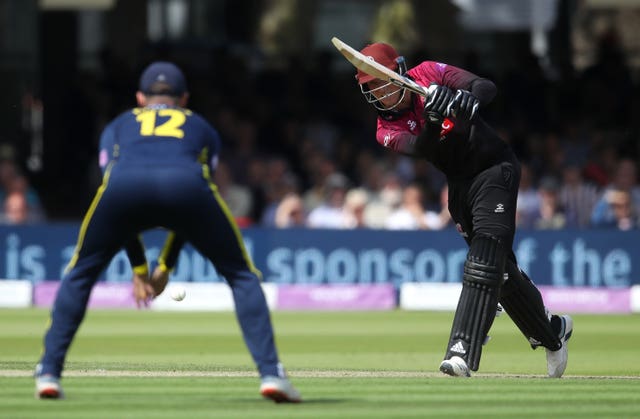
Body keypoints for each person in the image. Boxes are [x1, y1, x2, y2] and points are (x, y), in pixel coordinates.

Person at [35, 61, 301, 403]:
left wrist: (141, 269)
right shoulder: (201, 126)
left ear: (140, 98)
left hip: (122, 189)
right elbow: (190, 206)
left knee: (81, 272)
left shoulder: (119, 124)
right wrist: (165, 266)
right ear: (184, 98)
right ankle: (271, 374)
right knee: (241, 275)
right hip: (186, 186)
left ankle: (49, 373)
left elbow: (117, 196)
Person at [353, 42, 572, 377]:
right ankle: (553, 332)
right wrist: (433, 117)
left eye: (383, 81)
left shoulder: (426, 73)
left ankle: (462, 353)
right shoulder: (386, 130)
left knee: (483, 261)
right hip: (459, 186)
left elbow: (485, 86)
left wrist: (468, 98)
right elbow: (423, 148)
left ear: (398, 70)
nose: (381, 94)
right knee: (499, 273)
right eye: (372, 88)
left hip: (494, 168)